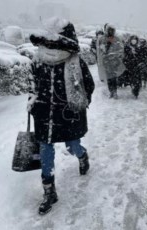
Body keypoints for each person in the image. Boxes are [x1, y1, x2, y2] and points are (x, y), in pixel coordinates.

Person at [27, 17, 95, 215]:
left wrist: (77, 103)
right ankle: (49, 191)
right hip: (44, 115)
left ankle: (82, 156)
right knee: (45, 150)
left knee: (73, 146)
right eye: (47, 42)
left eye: (54, 42)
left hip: (68, 115)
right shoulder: (37, 60)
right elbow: (32, 85)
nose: (50, 45)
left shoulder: (74, 62)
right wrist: (33, 101)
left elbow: (87, 86)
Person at [96, 24, 126, 99]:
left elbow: (120, 49)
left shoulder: (117, 39)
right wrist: (107, 45)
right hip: (106, 62)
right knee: (109, 77)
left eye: (112, 30)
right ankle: (111, 92)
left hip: (115, 62)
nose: (111, 32)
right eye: (110, 30)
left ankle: (114, 92)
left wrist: (116, 57)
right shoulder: (102, 39)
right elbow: (101, 50)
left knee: (114, 77)